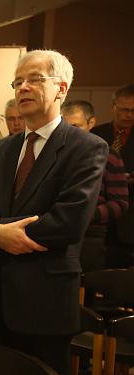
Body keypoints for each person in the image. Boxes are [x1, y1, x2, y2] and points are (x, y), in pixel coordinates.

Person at [0, 50, 108, 375]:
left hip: (45, 299)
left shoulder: (85, 147)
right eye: (17, 82)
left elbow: (68, 222)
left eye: (34, 79)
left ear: (61, 88)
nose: (23, 89)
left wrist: (0, 227)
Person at [62, 99, 128, 272]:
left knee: (86, 290)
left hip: (91, 234)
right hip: (58, 231)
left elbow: (120, 203)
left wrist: (88, 214)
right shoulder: (56, 154)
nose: (69, 133)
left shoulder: (108, 155)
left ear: (91, 123)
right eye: (64, 126)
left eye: (75, 126)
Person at [91, 84, 134, 267]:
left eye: (133, 111)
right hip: (98, 218)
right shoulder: (95, 135)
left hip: (130, 214)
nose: (129, 115)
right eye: (124, 110)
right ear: (113, 107)